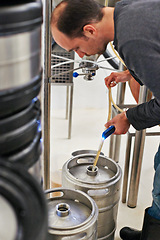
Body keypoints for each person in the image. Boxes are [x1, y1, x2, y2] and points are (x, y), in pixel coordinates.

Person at [50, 0, 160, 239]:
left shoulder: (132, 41)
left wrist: (129, 117)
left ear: (90, 30)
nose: (80, 55)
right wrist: (132, 71)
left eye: (77, 48)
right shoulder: (127, 11)